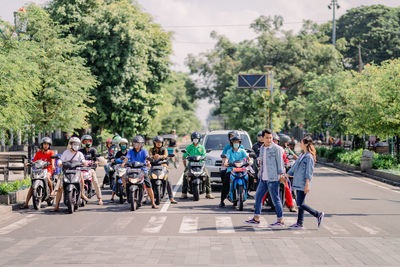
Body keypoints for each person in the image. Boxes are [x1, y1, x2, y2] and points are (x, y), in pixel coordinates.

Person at [245, 129, 286, 227]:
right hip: (263, 178)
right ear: (262, 138)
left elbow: (280, 163)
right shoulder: (262, 148)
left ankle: (280, 220)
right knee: (258, 197)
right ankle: (256, 218)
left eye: (270, 138)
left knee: (276, 199)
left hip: (273, 179)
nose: (269, 140)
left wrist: (281, 175)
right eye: (267, 138)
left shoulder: (277, 149)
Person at [287, 135, 324, 229]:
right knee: (300, 204)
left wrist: (307, 184)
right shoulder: (302, 155)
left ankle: (318, 214)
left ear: (306, 144)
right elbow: (294, 166)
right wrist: (287, 174)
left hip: (304, 183)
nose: (300, 144)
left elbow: (309, 172)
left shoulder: (309, 157)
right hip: (298, 182)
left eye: (302, 142)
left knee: (300, 203)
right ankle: (299, 223)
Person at [122, 135, 158, 209]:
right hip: (131, 170)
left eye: (138, 143)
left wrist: (148, 162)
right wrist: (123, 163)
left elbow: (147, 158)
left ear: (141, 144)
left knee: (149, 186)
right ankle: (126, 190)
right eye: (135, 143)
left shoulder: (144, 151)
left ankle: (153, 203)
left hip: (142, 170)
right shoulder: (130, 151)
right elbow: (126, 158)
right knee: (123, 177)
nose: (137, 145)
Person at [53, 137, 87, 212]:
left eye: (77, 144)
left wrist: (84, 163)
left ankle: (81, 193)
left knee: (82, 179)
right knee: (60, 188)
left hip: (77, 171)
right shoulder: (66, 153)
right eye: (74, 144)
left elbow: (83, 161)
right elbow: (61, 160)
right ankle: (56, 206)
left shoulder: (80, 154)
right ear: (70, 145)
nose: (76, 145)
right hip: (66, 172)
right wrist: (59, 163)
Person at [21, 137, 55, 209]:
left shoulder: (51, 152)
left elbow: (52, 160)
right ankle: (26, 203)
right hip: (39, 170)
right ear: (42, 145)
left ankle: (52, 191)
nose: (45, 145)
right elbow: (34, 161)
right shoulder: (38, 153)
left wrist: (53, 166)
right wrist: (29, 163)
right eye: (44, 144)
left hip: (48, 170)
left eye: (47, 144)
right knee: (32, 186)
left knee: (48, 177)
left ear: (49, 145)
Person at [180, 132, 215, 199]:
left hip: (201, 165)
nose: (195, 140)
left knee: (207, 176)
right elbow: (184, 156)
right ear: (192, 139)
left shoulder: (202, 148)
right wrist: (185, 166)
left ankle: (208, 193)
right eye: (194, 138)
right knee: (185, 176)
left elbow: (204, 155)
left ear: (199, 139)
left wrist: (203, 158)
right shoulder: (189, 147)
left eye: (197, 139)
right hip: (191, 165)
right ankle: (184, 193)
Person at [219, 135, 250, 208]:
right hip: (231, 169)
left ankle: (247, 192)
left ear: (240, 143)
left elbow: (247, 157)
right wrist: (226, 163)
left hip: (242, 169)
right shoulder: (229, 151)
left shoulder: (242, 151)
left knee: (250, 178)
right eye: (234, 142)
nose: (236, 143)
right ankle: (222, 200)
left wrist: (250, 161)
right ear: (231, 143)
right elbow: (226, 159)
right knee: (226, 182)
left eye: (237, 142)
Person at [149, 136, 178, 204]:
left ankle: (171, 198)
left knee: (168, 181)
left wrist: (159, 156)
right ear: (154, 143)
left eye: (160, 142)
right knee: (148, 180)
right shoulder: (151, 150)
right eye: (157, 142)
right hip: (153, 166)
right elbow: (149, 156)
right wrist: (153, 157)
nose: (159, 144)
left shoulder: (164, 149)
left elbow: (166, 155)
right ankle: (147, 196)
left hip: (163, 166)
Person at [79, 135, 103, 205]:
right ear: (83, 142)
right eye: (85, 141)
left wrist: (96, 162)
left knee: (95, 182)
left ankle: (100, 198)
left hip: (90, 169)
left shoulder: (93, 150)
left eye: (88, 141)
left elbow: (96, 159)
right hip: (81, 169)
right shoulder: (80, 151)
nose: (87, 142)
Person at [110, 138, 129, 202]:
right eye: (122, 144)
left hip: (126, 168)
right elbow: (115, 159)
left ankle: (129, 193)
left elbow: (131, 159)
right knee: (115, 181)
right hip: (119, 168)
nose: (123, 145)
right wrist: (113, 160)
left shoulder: (129, 152)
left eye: (124, 144)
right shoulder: (118, 153)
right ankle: (112, 196)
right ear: (120, 145)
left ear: (126, 145)